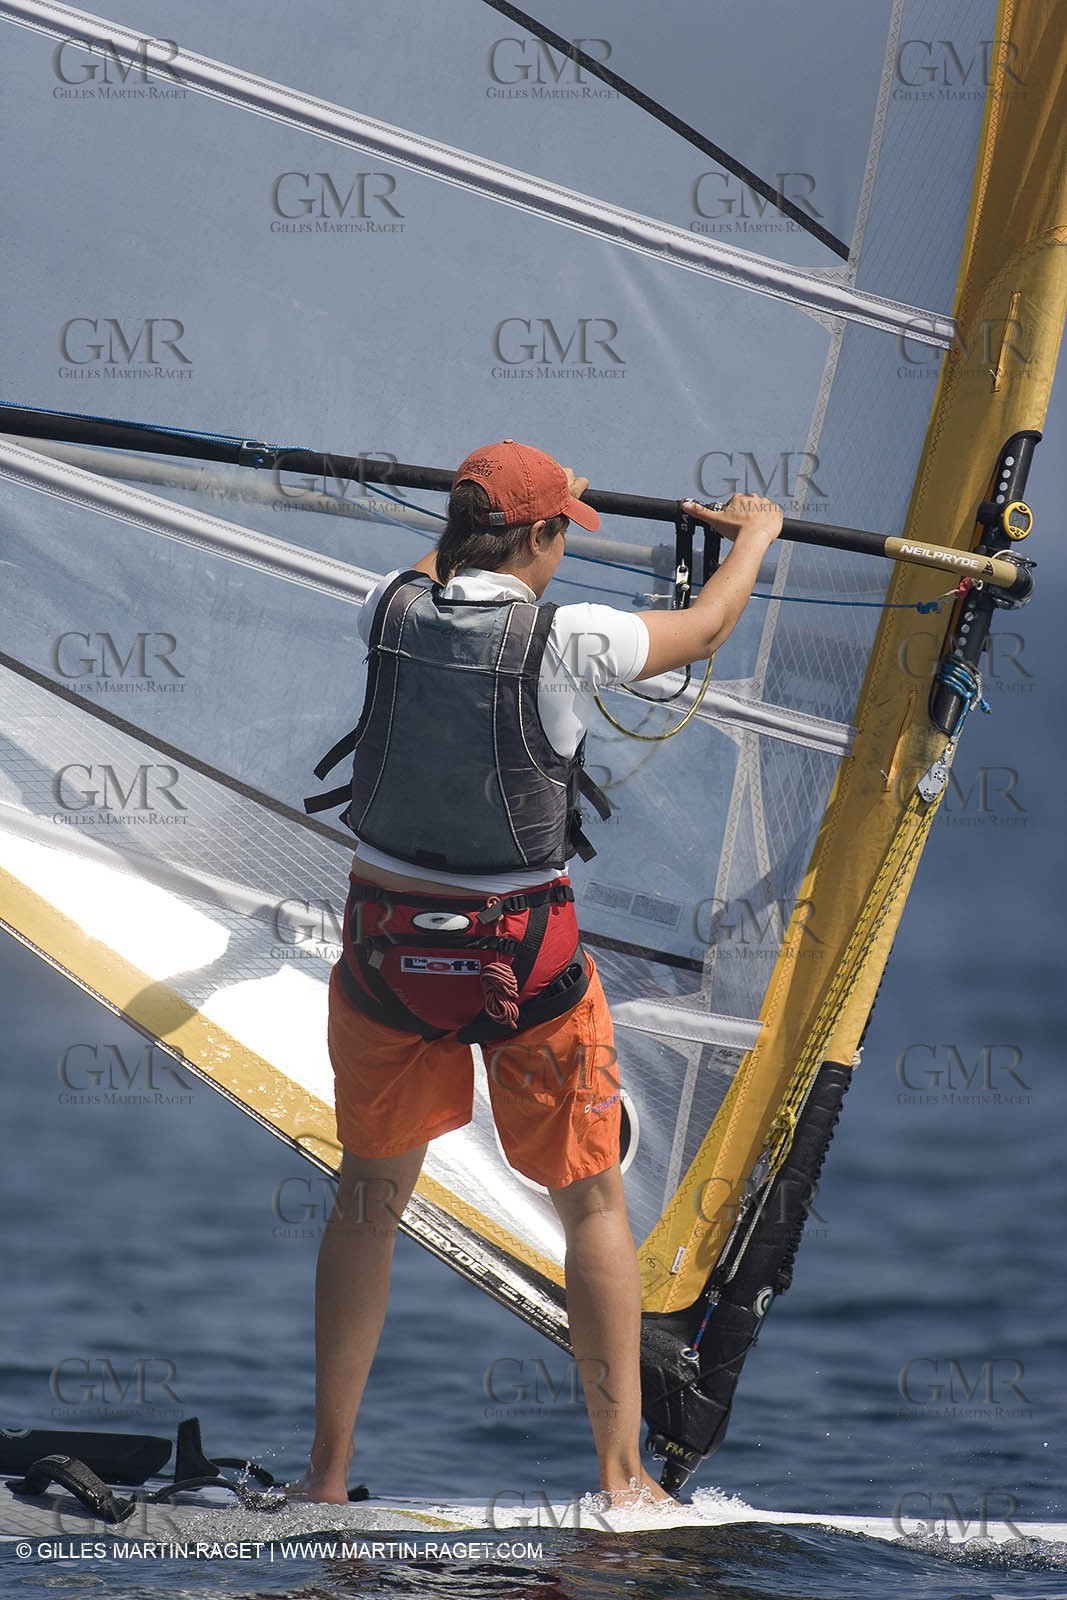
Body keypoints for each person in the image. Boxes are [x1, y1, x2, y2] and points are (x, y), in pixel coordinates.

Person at [287, 441, 782, 1507]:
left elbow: (433, 572)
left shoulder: (382, 607)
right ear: (542, 538)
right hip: (525, 967)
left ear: (457, 531)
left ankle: (324, 1474)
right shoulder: (569, 637)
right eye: (561, 532)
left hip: (386, 964)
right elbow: (707, 628)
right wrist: (756, 537)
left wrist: (484, 517)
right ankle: (618, 1473)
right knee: (592, 1206)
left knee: (367, 1202)